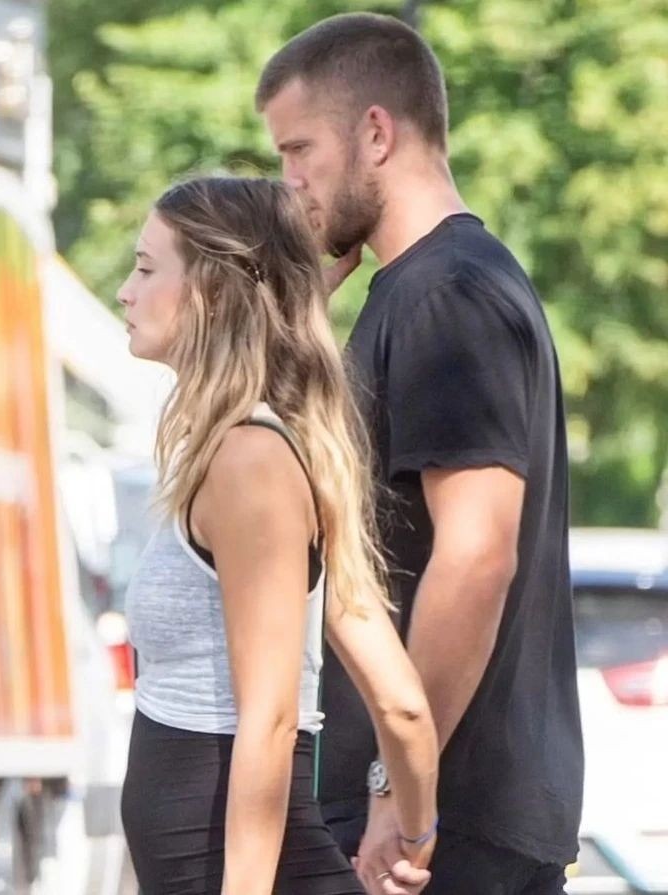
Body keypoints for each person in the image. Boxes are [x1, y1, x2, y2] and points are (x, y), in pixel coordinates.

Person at [257, 13, 584, 895]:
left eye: (299, 150)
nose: (290, 183)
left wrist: (399, 792)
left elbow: (477, 556)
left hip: (438, 831)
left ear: (375, 132)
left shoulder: (448, 296)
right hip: (438, 816)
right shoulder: (422, 290)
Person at [117, 175, 440, 895]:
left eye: (144, 268)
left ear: (212, 291)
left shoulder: (251, 463)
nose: (124, 293)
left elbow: (269, 718)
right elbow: (404, 706)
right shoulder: (252, 449)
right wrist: (414, 837)